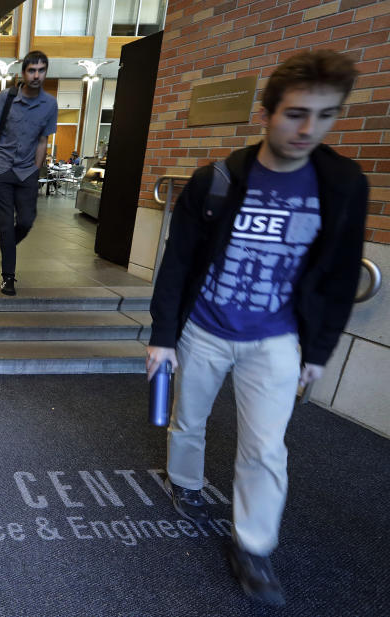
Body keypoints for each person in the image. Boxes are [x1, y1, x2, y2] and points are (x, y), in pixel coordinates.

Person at [146, 50, 366, 606]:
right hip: (205, 326)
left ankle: (253, 544)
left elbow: (339, 274)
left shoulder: (340, 185)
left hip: (277, 338)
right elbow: (177, 262)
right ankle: (187, 486)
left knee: (267, 446)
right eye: (296, 114)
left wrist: (317, 349)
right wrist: (163, 336)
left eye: (325, 115)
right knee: (188, 420)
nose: (308, 129)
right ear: (266, 114)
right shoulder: (216, 180)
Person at [0, 50, 57, 295]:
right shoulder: (5, 98)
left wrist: (36, 170)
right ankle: (8, 277)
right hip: (2, 170)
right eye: (31, 70)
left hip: (27, 173)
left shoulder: (49, 104)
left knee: (25, 221)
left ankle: (8, 247)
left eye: (41, 70)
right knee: (5, 225)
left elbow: (42, 140)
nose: (36, 75)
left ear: (46, 72)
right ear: (23, 73)